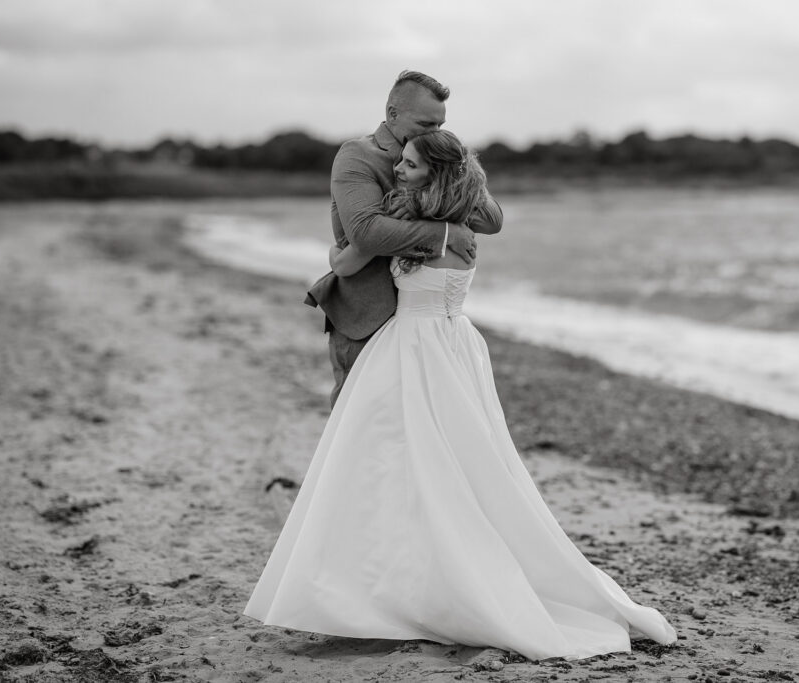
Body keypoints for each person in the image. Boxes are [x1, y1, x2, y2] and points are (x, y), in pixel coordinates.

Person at [244, 129, 678, 661]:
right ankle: (402, 582)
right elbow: (479, 218)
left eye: (408, 165)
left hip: (415, 347)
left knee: (397, 465)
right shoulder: (460, 225)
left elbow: (346, 262)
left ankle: (399, 588)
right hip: (453, 344)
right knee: (449, 466)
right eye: (400, 161)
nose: (398, 171)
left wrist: (347, 246)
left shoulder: (422, 232)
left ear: (434, 175)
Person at [305, 70, 503, 406]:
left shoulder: (442, 157)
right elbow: (367, 233)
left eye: (440, 125)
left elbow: (491, 219)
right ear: (392, 114)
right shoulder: (357, 155)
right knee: (362, 428)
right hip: (367, 318)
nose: (437, 132)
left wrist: (433, 188)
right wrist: (445, 232)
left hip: (427, 328)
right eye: (427, 125)